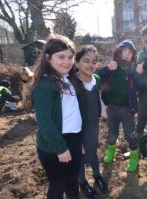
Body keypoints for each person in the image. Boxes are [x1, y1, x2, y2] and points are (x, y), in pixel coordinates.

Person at [31, 35, 83, 199]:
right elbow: (45, 122)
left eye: (70, 57)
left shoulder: (65, 78)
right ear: (48, 58)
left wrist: (77, 142)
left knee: (72, 181)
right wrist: (61, 148)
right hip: (56, 145)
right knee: (58, 185)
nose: (67, 61)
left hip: (73, 139)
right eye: (61, 57)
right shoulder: (45, 86)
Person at [97, 39, 139, 172]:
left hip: (127, 109)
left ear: (133, 55)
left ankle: (134, 156)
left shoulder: (133, 70)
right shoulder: (111, 67)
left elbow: (143, 85)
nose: (126, 54)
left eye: (130, 52)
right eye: (124, 51)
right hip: (112, 108)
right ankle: (111, 152)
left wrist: (142, 73)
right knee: (112, 133)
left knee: (129, 134)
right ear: (118, 52)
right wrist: (107, 69)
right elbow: (96, 78)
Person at [75, 45, 108, 198]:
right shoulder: (72, 82)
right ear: (76, 63)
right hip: (76, 128)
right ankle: (82, 182)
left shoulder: (97, 79)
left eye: (94, 61)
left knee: (93, 152)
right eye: (86, 61)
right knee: (80, 156)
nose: (91, 65)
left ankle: (97, 176)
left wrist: (103, 112)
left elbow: (98, 97)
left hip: (93, 125)